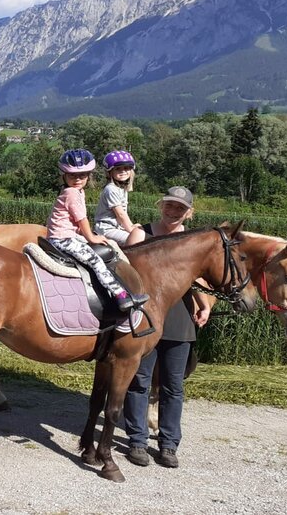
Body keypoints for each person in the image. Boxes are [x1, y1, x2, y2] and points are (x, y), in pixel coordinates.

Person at [123, 185, 212, 469]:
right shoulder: (141, 233)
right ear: (161, 206)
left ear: (190, 212)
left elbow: (197, 278)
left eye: (180, 208)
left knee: (173, 386)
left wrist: (205, 304)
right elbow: (123, 271)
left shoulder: (191, 241)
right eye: (169, 205)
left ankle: (169, 444)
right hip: (145, 318)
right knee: (139, 381)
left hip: (179, 319)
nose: (173, 211)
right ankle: (136, 441)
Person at [46, 149, 147, 313]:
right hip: (63, 238)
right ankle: (121, 296)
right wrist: (91, 238)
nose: (78, 179)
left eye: (83, 175)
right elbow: (82, 219)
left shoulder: (77, 191)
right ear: (63, 175)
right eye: (72, 175)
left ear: (89, 176)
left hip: (66, 235)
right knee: (96, 261)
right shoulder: (72, 193)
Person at [94, 150, 141, 245]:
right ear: (110, 172)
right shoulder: (111, 189)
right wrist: (132, 229)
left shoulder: (121, 189)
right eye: (118, 169)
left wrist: (132, 226)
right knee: (136, 240)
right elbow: (120, 214)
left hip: (117, 227)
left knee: (142, 233)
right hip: (107, 229)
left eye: (126, 168)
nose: (123, 171)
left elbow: (123, 214)